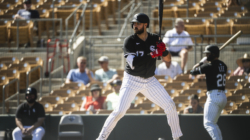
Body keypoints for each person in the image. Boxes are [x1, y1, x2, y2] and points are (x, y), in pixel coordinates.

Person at [96, 13, 182, 140]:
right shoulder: (129, 41)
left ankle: (177, 138)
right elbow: (133, 63)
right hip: (132, 80)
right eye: (134, 23)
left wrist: (164, 51)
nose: (135, 26)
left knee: (170, 105)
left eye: (138, 23)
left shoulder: (154, 39)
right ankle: (101, 138)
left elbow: (168, 58)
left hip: (150, 80)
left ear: (145, 24)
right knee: (119, 112)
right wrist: (153, 54)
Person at [190, 45, 227, 140]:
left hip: (214, 96)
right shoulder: (223, 65)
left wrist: (201, 63)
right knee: (213, 123)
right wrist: (205, 62)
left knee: (208, 123)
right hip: (222, 96)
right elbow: (214, 69)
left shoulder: (208, 66)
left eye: (208, 54)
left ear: (213, 54)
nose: (206, 55)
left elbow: (192, 72)